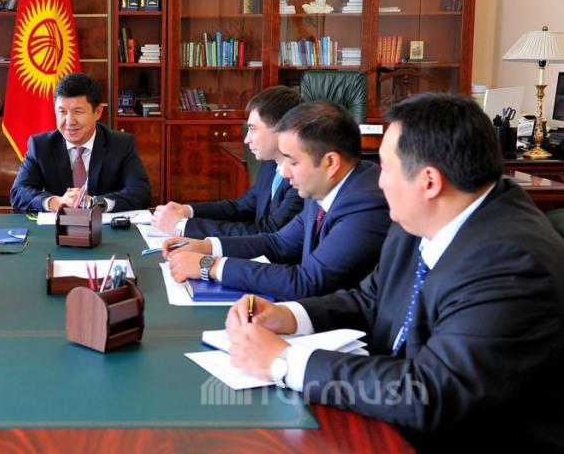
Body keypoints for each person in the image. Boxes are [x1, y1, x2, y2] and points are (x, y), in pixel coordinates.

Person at [224, 94, 564, 451]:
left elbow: (430, 392)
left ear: (429, 182)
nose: (379, 182)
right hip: (392, 420)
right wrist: (289, 316)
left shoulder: (511, 265)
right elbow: (371, 299)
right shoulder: (423, 217)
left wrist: (283, 361)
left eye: (385, 168)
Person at [164, 100, 390, 301]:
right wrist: (205, 246)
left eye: (293, 162)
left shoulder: (365, 205)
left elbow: (307, 282)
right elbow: (278, 243)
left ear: (330, 163)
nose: (284, 172)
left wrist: (210, 266)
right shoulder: (323, 186)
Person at [153, 86, 304, 238]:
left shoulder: (301, 180)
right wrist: (187, 211)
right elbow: (241, 208)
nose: (246, 139)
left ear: (281, 129)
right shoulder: (270, 164)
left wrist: (182, 226)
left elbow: (268, 233)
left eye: (253, 129)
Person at [10, 72, 151, 212]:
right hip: (57, 225)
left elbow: (141, 193)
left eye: (78, 112)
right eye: (62, 112)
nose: (69, 121)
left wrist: (95, 203)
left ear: (98, 112)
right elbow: (18, 192)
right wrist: (57, 202)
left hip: (104, 225)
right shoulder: (40, 145)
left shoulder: (121, 144)